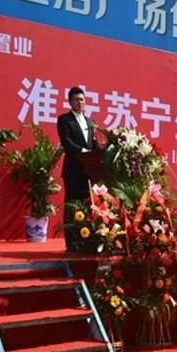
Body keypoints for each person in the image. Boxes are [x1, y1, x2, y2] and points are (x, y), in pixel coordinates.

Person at [57, 86, 102, 249]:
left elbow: (94, 144)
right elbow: (66, 142)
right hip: (73, 170)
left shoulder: (91, 122)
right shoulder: (64, 120)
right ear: (70, 102)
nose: (80, 102)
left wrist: (106, 149)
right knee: (72, 205)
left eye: (82, 99)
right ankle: (71, 242)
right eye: (76, 99)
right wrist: (84, 151)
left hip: (89, 172)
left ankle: (84, 240)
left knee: (86, 206)